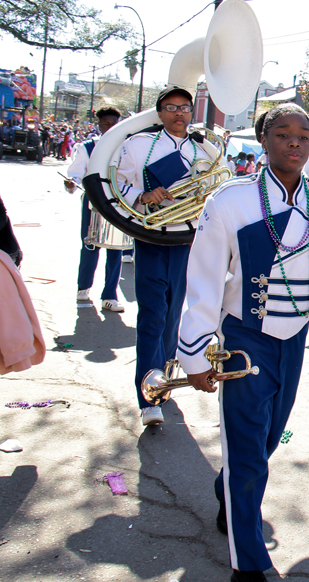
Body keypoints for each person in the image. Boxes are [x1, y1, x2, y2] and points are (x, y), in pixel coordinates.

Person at [177, 103, 309, 582]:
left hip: (293, 341)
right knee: (247, 451)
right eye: (283, 134)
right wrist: (195, 352)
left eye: (304, 135)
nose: (295, 143)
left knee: (265, 442)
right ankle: (248, 568)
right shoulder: (230, 201)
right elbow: (204, 281)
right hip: (244, 338)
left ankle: (227, 492)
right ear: (264, 140)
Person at [114, 85, 214, 427]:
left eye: (185, 107)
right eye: (171, 107)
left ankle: (164, 381)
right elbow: (118, 185)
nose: (179, 113)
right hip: (153, 236)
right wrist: (142, 196)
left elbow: (217, 192)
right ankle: (147, 395)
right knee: (153, 315)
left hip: (187, 239)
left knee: (174, 314)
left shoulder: (206, 149)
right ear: (160, 114)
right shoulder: (138, 145)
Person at [65, 106, 125, 312]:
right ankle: (84, 288)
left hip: (118, 203)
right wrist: (71, 183)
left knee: (116, 250)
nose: (109, 128)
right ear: (99, 125)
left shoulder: (126, 147)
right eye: (105, 124)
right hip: (92, 203)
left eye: (113, 124)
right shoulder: (87, 147)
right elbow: (75, 174)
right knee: (90, 244)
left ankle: (110, 295)